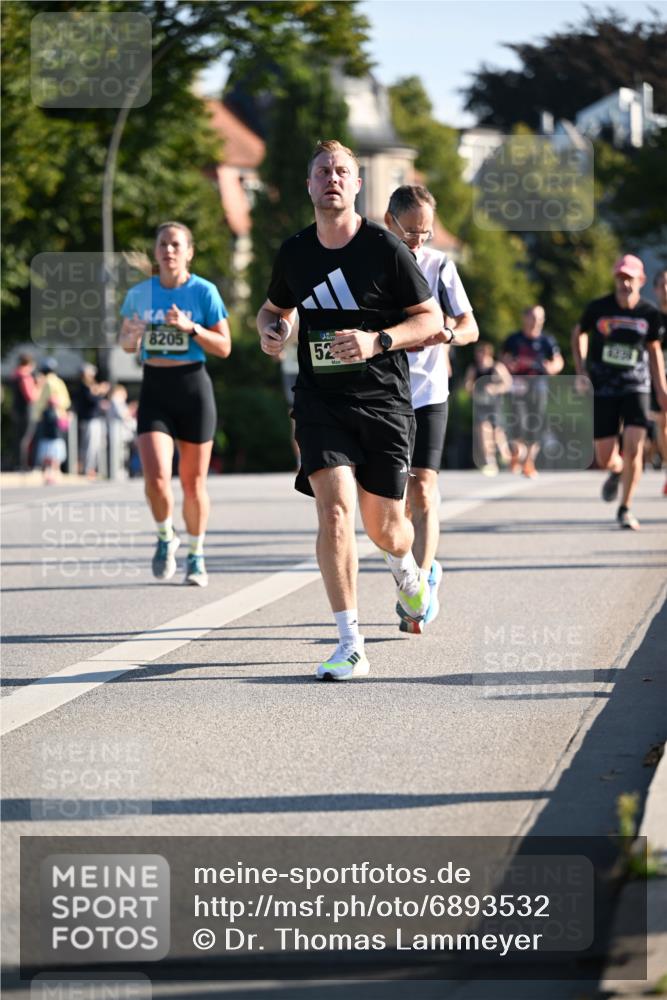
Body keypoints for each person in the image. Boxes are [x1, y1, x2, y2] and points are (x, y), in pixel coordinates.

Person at [256, 139, 442, 680]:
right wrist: (272, 330)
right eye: (322, 171)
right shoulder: (295, 252)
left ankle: (410, 574)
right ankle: (350, 642)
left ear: (358, 185)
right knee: (334, 510)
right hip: (320, 401)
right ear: (309, 186)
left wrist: (376, 341)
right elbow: (274, 308)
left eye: (342, 171)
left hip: (383, 402)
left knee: (385, 526)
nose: (332, 178)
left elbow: (429, 321)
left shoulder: (385, 248)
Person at [384, 185, 478, 631]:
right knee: (392, 502)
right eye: (411, 232)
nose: (419, 241)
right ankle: (417, 575)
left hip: (429, 394)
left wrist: (449, 336)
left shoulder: (441, 266)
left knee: (422, 490)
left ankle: (418, 589)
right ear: (390, 222)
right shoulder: (376, 266)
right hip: (384, 398)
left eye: (426, 231)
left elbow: (470, 326)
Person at [119, 221, 231, 585]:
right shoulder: (139, 294)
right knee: (155, 478)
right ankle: (166, 536)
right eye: (163, 244)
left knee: (193, 483)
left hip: (193, 387)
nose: (169, 251)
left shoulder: (204, 292)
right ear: (155, 251)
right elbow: (125, 344)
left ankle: (196, 554)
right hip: (155, 388)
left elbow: (225, 347)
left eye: (176, 245)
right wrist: (131, 336)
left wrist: (192, 328)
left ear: (189, 252)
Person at [571, 254, 667, 530]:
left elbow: (654, 351)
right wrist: (581, 369)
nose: (625, 283)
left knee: (634, 448)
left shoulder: (649, 314)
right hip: (604, 387)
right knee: (604, 457)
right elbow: (579, 333)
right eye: (620, 278)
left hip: (637, 385)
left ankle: (625, 507)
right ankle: (615, 471)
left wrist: (661, 389)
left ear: (641, 281)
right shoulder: (599, 308)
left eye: (630, 278)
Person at [502, 306, 564, 478]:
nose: (536, 321)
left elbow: (558, 361)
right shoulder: (514, 339)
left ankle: (528, 461)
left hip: (539, 387)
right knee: (517, 422)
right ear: (525, 318)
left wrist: (551, 368)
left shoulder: (547, 341)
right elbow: (503, 360)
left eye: (540, 318)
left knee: (535, 424)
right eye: (533, 317)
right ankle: (517, 453)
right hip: (518, 387)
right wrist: (508, 366)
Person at [463, 341, 513, 476]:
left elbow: (508, 383)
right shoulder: (474, 368)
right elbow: (467, 385)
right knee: (483, 433)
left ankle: (507, 458)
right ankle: (489, 462)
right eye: (478, 354)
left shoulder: (497, 367)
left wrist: (495, 388)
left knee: (497, 433)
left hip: (494, 405)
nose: (479, 357)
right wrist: (473, 389)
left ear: (487, 354)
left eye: (481, 354)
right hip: (480, 405)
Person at [32, 358, 71, 484]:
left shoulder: (47, 382)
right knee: (57, 442)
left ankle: (49, 473)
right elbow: (67, 401)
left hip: (49, 417)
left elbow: (41, 402)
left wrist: (37, 415)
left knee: (48, 443)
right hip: (60, 416)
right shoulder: (59, 382)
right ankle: (56, 471)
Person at [74, 363, 110, 479]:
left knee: (95, 446)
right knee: (89, 446)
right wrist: (101, 391)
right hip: (89, 419)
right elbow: (92, 399)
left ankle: (92, 468)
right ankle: (87, 469)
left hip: (95, 419)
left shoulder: (90, 385)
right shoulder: (83, 386)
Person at [649, 268, 667, 495]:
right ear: (655, 289)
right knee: (663, 424)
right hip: (659, 378)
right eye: (662, 284)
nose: (666, 289)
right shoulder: (650, 318)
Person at [10, 352, 40, 470]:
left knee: (18, 437)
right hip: (26, 411)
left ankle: (17, 463)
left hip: (17, 409)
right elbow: (31, 397)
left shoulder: (15, 375)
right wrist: (38, 387)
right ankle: (22, 465)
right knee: (25, 438)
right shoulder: (25, 377)